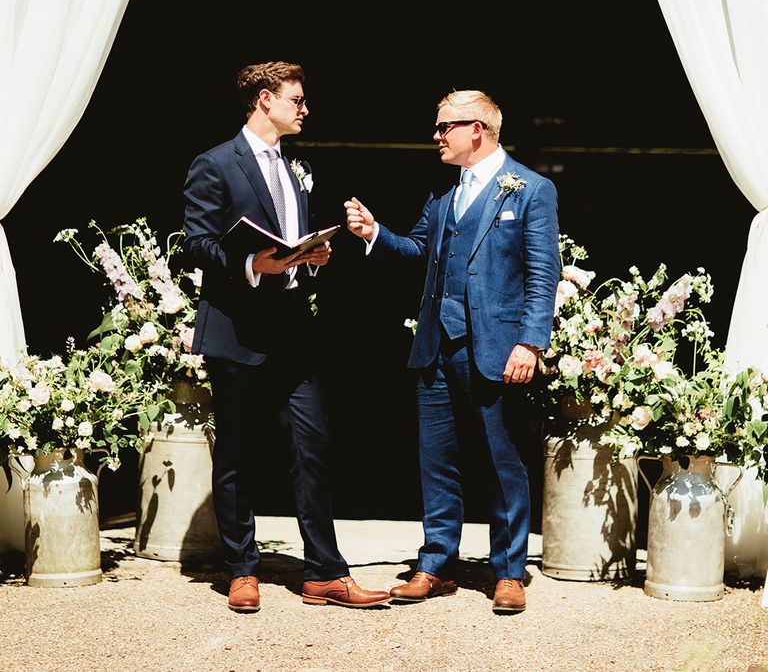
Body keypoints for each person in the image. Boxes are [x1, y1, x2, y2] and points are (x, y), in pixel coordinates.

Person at [183, 61, 390, 612]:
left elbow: (293, 238)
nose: (305, 109)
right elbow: (197, 243)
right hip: (237, 330)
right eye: (296, 99)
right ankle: (242, 569)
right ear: (264, 99)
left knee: (313, 446)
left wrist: (312, 256)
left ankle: (325, 571)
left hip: (295, 331)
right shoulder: (215, 163)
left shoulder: (299, 166)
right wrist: (254, 262)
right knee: (238, 454)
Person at [345, 89, 560, 613]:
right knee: (436, 460)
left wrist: (530, 342)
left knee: (501, 458)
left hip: (495, 347)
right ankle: (436, 563)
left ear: (477, 130)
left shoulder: (530, 189)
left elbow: (543, 272)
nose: (436, 136)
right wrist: (375, 233)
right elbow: (420, 250)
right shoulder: (444, 196)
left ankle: (508, 571)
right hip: (437, 346)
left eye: (444, 127)